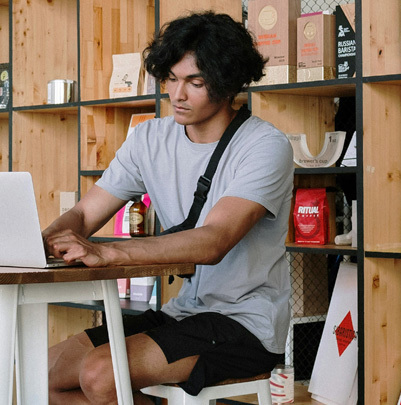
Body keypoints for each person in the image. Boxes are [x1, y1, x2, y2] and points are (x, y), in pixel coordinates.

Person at [42, 10, 294, 404]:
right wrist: (46, 240)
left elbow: (214, 241)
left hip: (246, 324)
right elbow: (83, 215)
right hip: (183, 313)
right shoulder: (148, 139)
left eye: (195, 82)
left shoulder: (264, 146)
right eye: (172, 79)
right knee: (49, 375)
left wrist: (108, 251)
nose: (177, 94)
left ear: (228, 84)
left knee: (100, 374)